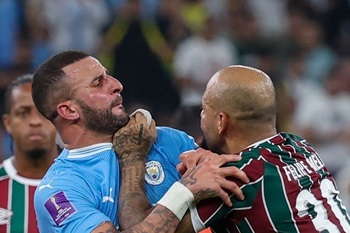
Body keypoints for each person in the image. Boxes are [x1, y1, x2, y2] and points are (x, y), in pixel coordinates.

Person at [31, 50, 248, 233]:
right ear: (68, 110)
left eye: (108, 76)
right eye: (98, 83)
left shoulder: (167, 138)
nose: (117, 85)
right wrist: (185, 192)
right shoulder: (58, 192)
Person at [119, 65, 350, 232]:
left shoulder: (235, 178)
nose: (201, 116)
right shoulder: (301, 148)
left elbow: (144, 228)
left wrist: (133, 157)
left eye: (204, 109)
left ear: (221, 121)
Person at [0, 74, 60, 233]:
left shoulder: (86, 182)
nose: (35, 121)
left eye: (42, 112)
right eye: (23, 113)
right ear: (8, 123)